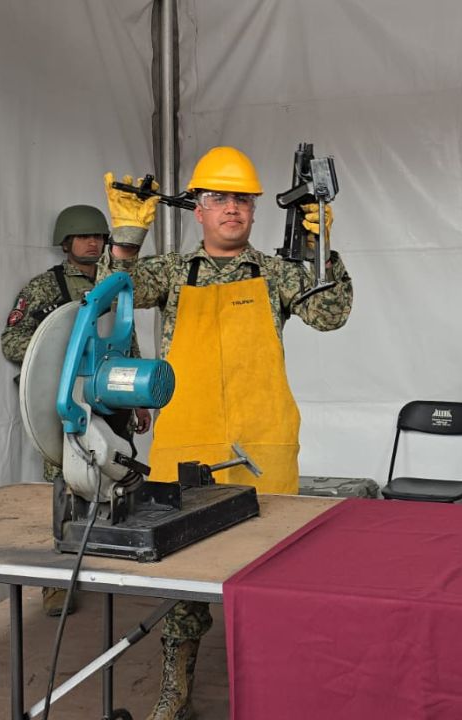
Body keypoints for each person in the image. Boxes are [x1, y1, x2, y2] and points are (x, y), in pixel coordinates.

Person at [103, 146, 353, 720]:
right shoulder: (170, 272)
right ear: (197, 208)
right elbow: (107, 305)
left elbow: (331, 314)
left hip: (262, 447)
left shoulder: (276, 273)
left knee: (270, 576)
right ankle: (177, 692)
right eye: (218, 198)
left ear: (255, 209)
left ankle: (274, 691)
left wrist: (321, 249)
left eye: (241, 198)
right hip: (185, 445)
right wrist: (124, 240)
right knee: (182, 577)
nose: (231, 208)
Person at [1, 204, 150, 616]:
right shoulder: (45, 289)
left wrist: (136, 396)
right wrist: (59, 350)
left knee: (118, 475)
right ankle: (58, 581)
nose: (93, 242)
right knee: (66, 487)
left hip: (112, 398)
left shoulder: (117, 285)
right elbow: (13, 342)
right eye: (84, 236)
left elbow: (126, 343)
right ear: (66, 242)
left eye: (99, 236)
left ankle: (114, 566)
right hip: (69, 403)